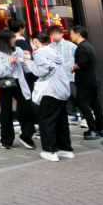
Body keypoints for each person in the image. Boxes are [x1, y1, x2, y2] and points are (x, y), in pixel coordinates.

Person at [29, 33, 74, 162]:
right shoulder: (54, 52)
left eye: (32, 41)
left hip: (50, 91)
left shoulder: (39, 53)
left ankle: (50, 151)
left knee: (46, 120)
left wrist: (29, 64)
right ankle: (66, 149)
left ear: (35, 41)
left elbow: (42, 71)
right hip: (62, 90)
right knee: (61, 121)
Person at [0, 28, 36, 150]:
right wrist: (8, 62)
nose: (14, 40)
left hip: (19, 82)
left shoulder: (18, 50)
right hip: (4, 84)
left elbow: (25, 69)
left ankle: (26, 135)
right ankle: (6, 140)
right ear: (5, 40)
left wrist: (27, 61)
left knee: (28, 107)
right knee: (6, 112)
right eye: (12, 38)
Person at [69, 25, 103, 140]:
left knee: (82, 103)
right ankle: (101, 129)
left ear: (78, 34)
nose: (70, 36)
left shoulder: (81, 47)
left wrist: (73, 67)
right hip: (93, 80)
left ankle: (93, 129)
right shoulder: (89, 45)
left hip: (85, 81)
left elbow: (82, 63)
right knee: (96, 105)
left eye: (71, 33)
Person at [47, 25, 79, 124]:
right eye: (52, 34)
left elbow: (79, 59)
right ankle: (72, 115)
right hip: (58, 78)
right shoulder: (49, 48)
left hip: (71, 76)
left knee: (77, 96)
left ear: (61, 34)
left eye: (56, 33)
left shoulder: (71, 45)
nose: (54, 36)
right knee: (66, 97)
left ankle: (84, 116)